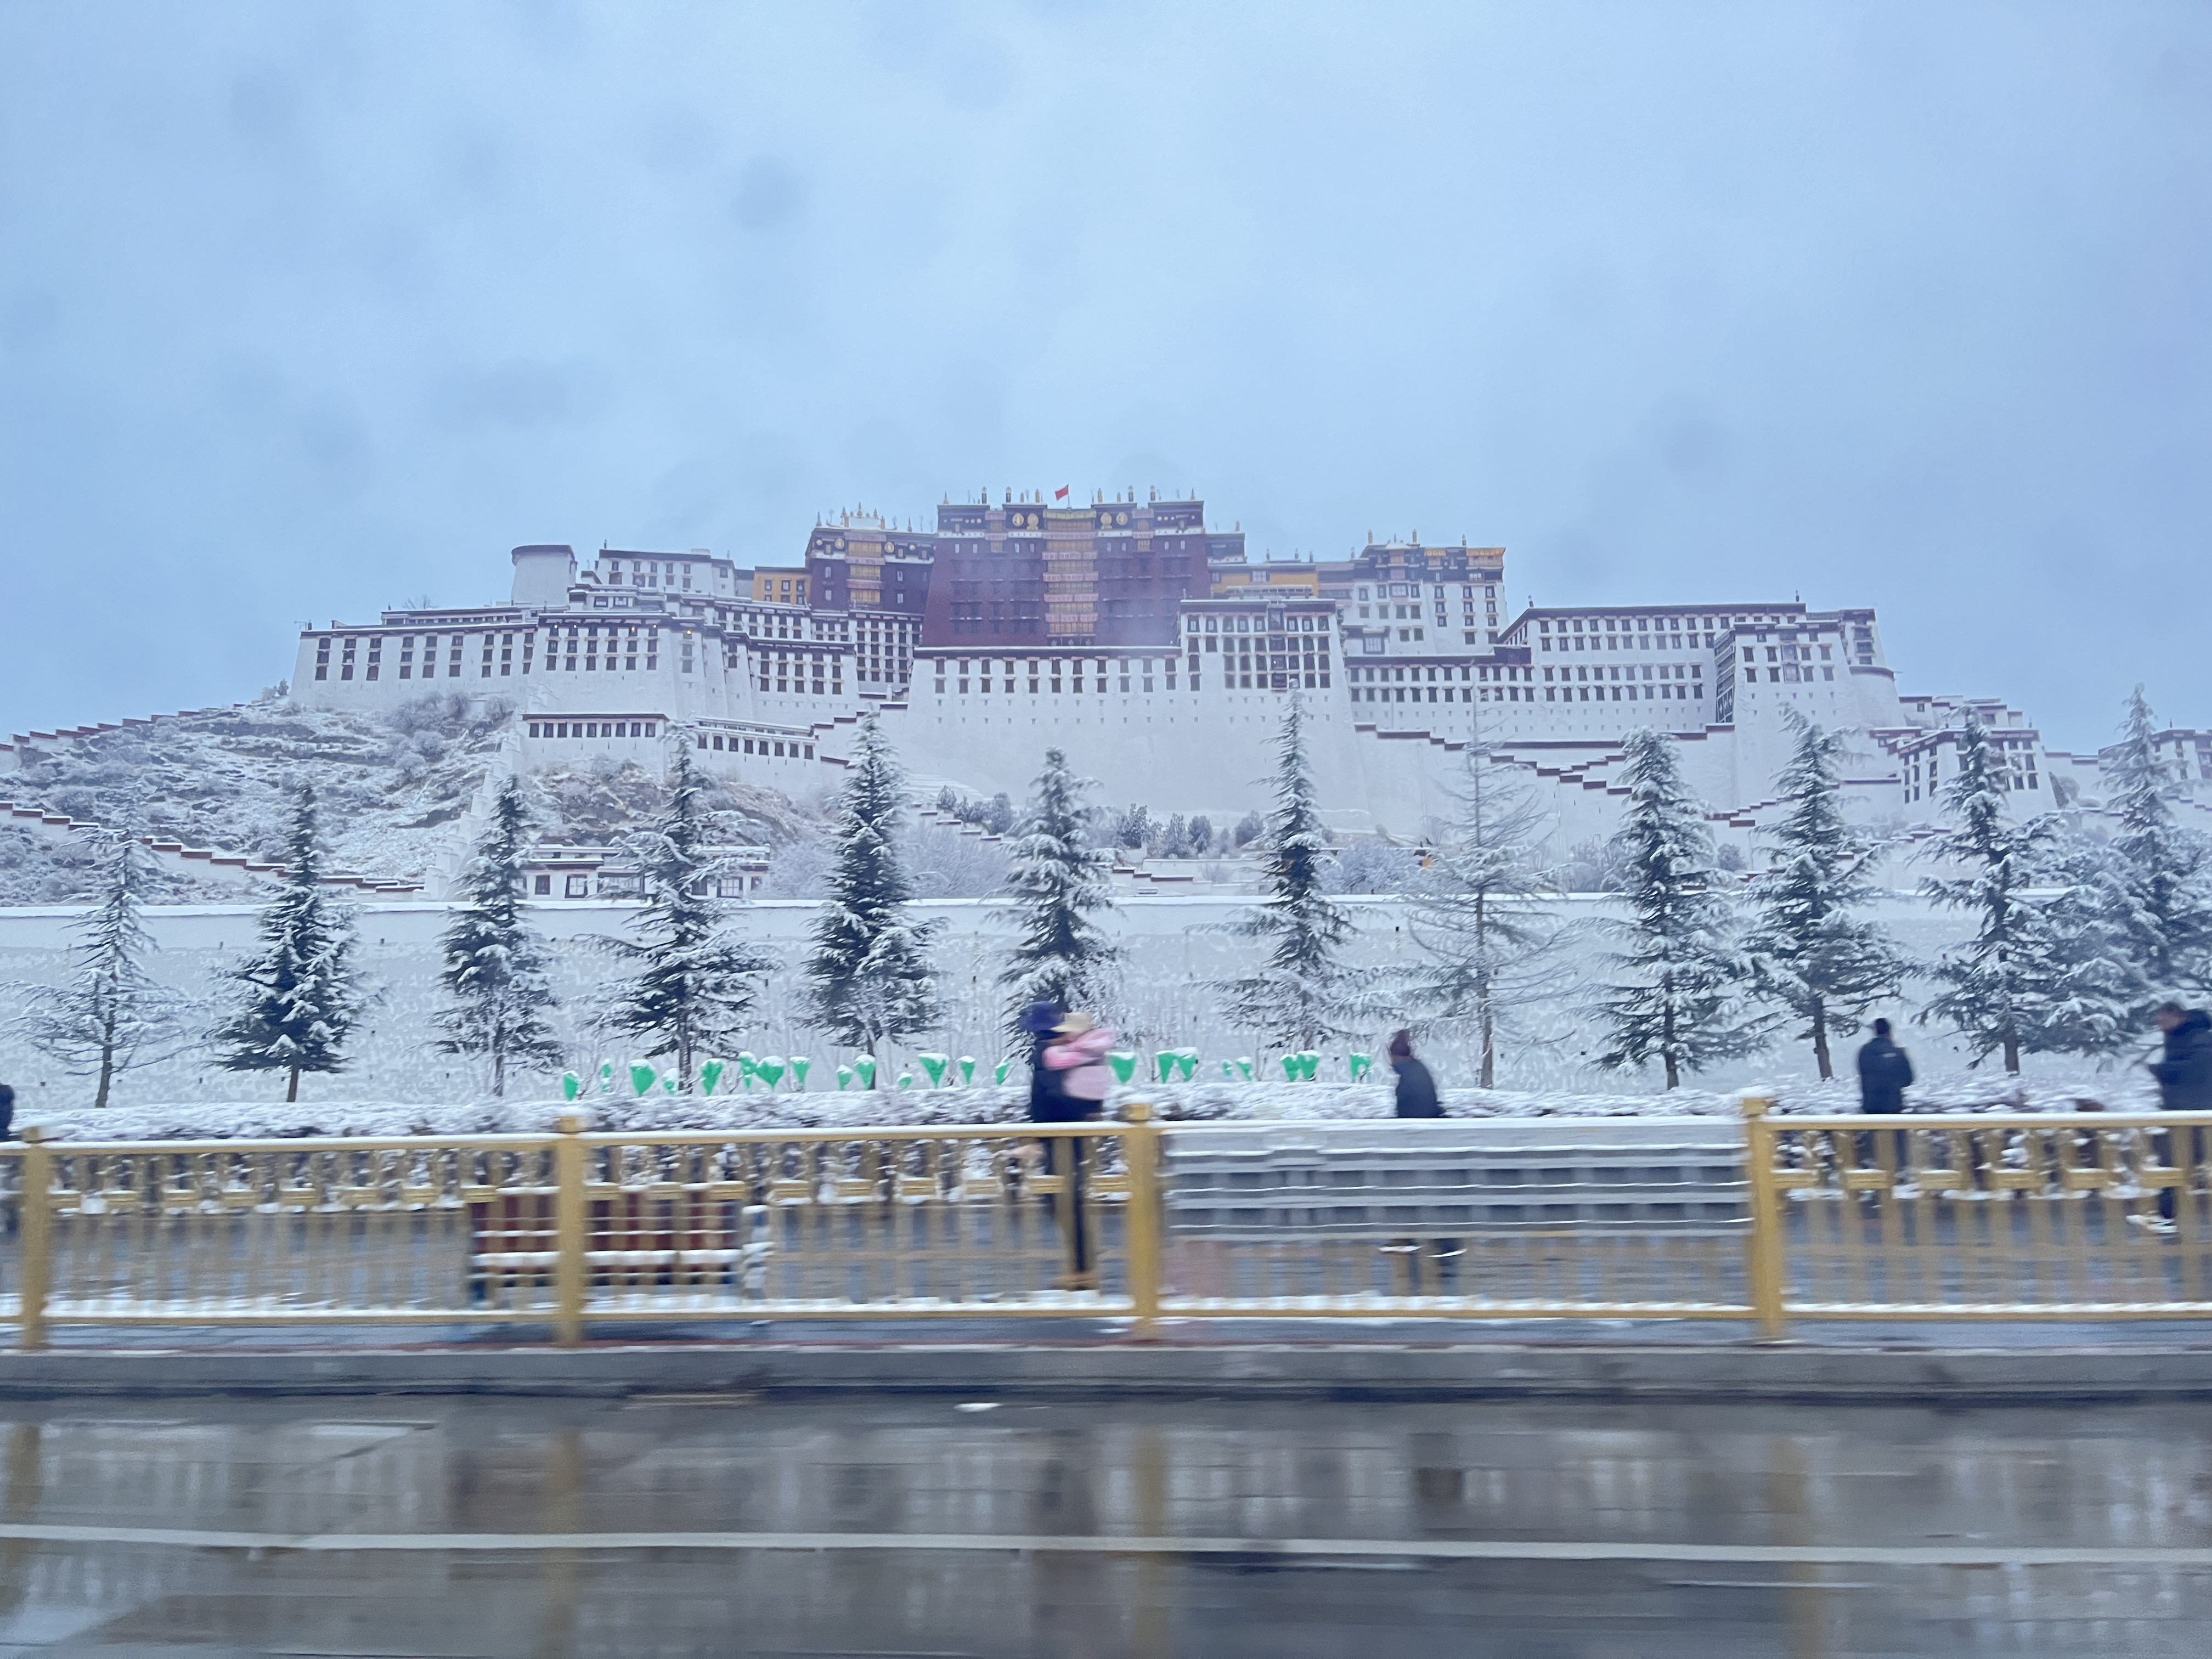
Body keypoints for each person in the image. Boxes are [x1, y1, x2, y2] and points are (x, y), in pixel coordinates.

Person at [1037, 1012, 1116, 1289]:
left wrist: (1035, 1134)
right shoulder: (1082, 1052)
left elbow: (1048, 1094)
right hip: (1072, 1128)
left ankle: (1083, 1265)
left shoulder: (1057, 1052)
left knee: (1063, 1195)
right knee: (1066, 1195)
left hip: (1064, 1129)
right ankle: (1084, 1261)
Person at [2146, 1003, 2212, 1230]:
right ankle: (2166, 1215)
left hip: (2196, 1115)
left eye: (2164, 1021)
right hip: (2183, 1113)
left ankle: (2166, 1216)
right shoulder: (2179, 1037)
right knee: (2175, 1162)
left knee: (2176, 1162)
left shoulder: (2199, 1037)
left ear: (2179, 1016)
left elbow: (2199, 1071)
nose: (2161, 1026)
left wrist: (2163, 1071)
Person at [1856, 1020, 1914, 1114]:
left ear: (1875, 1032)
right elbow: (1908, 1079)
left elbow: (1862, 1074)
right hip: (1893, 1105)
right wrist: (1893, 1085)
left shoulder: (1865, 1051)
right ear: (1890, 1032)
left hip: (1870, 1105)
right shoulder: (1898, 1052)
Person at [1389, 1030, 1441, 1118]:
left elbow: (1406, 1106)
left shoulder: (1408, 1072)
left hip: (1419, 1119)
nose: (1392, 1062)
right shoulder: (1415, 1067)